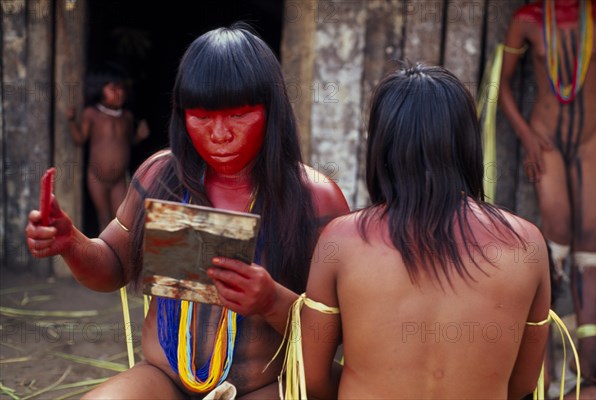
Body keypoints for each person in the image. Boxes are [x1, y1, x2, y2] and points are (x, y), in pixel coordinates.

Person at [26, 23, 349, 398]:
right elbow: (113, 264)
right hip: (164, 381)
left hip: (265, 386)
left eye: (238, 115)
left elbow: (342, 333)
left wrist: (273, 302)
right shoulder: (162, 174)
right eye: (201, 116)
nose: (219, 134)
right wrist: (71, 244)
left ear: (271, 112)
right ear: (182, 116)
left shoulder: (316, 199)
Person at [266, 64, 551, 399]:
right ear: (468, 145)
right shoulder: (527, 244)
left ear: (381, 147)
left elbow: (311, 379)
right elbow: (522, 385)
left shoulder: (340, 241)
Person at [499, 0, 596, 386]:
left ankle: (587, 360)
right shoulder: (528, 20)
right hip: (547, 142)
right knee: (555, 233)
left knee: (592, 236)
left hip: (592, 141)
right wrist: (525, 135)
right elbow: (501, 84)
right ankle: (541, 357)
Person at [68, 62, 150, 230]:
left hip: (119, 179)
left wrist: (139, 137)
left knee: (123, 220)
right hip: (96, 178)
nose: (119, 93)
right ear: (99, 90)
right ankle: (105, 255)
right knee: (104, 219)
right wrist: (71, 121)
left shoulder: (126, 117)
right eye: (113, 89)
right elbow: (80, 139)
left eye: (121, 89)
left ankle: (121, 255)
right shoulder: (91, 114)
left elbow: (127, 143)